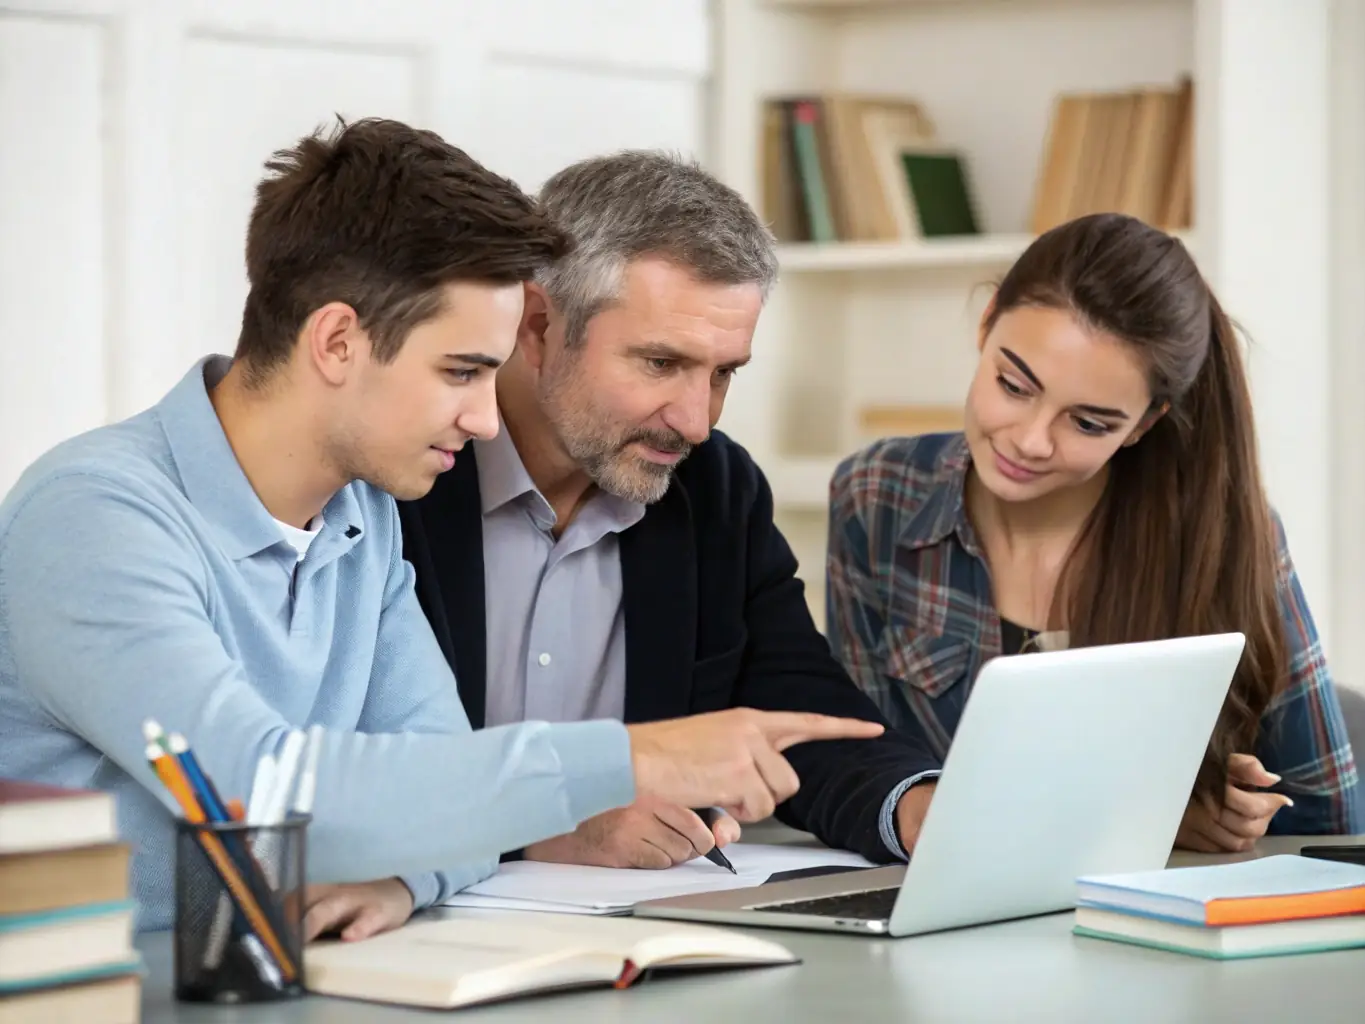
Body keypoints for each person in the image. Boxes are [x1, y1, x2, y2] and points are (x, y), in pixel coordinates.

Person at [0, 118, 885, 937]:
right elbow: (258, 785)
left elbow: (448, 785)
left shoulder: (360, 521)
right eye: (461, 371)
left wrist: (404, 880)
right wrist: (627, 756)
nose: (488, 419)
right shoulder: (94, 515)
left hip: (274, 980)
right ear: (337, 341)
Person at [397, 150, 941, 872]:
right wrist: (537, 831)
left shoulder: (713, 486)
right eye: (661, 364)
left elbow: (791, 714)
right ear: (536, 325)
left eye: (722, 374)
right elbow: (350, 773)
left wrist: (917, 809)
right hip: (414, 933)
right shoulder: (402, 477)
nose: (695, 422)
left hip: (641, 937)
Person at [826, 212, 1361, 856]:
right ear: (987, 321)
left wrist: (1215, 822)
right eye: (1013, 385)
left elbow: (1330, 824)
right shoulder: (875, 495)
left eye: (1088, 424)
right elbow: (867, 771)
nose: (1029, 440)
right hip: (942, 915)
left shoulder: (1224, 536)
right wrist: (1140, 817)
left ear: (1142, 424)